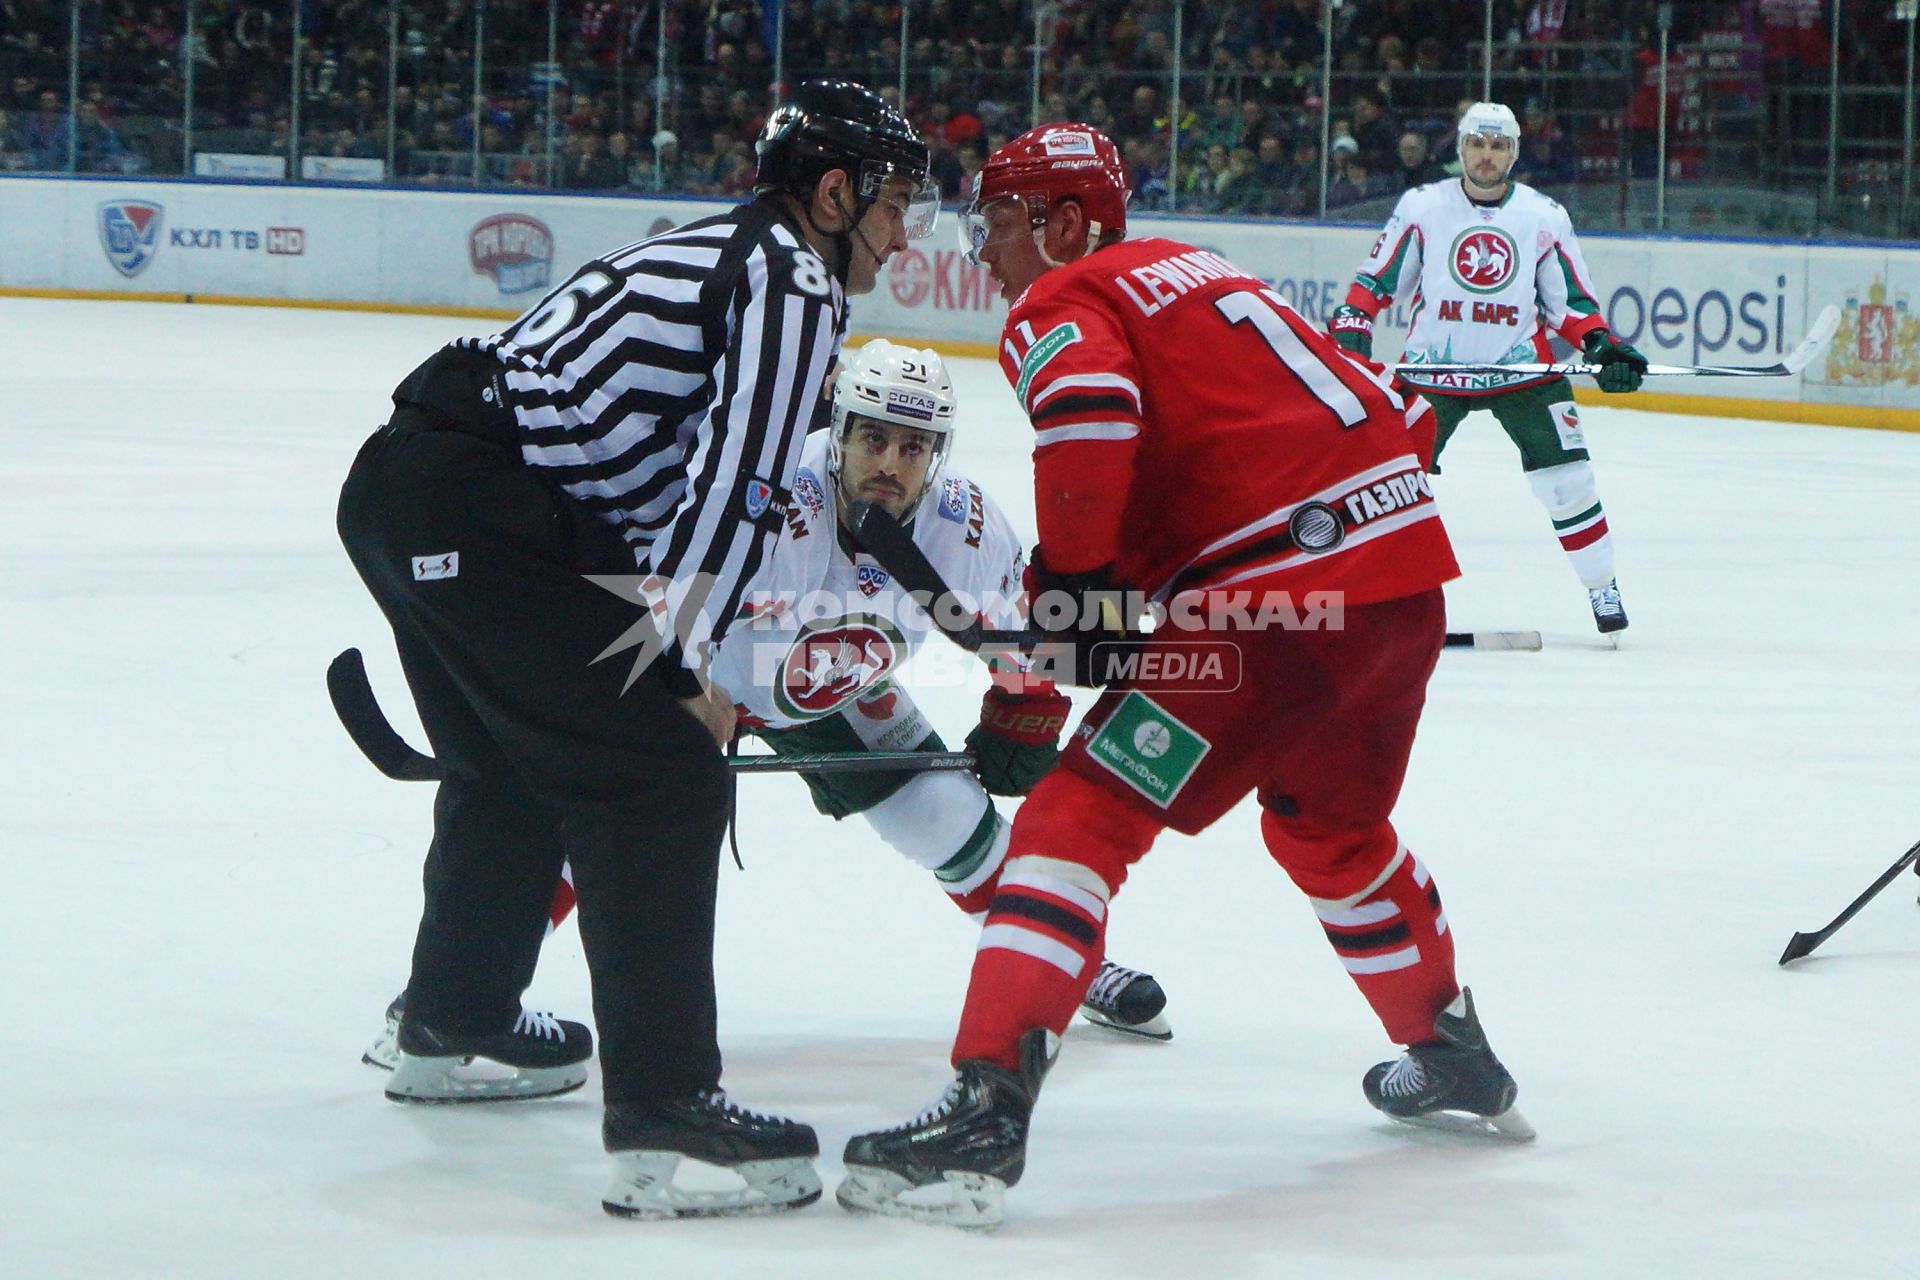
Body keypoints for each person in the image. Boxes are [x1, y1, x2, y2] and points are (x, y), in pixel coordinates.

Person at [834, 122, 1531, 1232]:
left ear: (1064, 223)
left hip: (1267, 616)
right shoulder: (1206, 273)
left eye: (1000, 225)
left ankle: (982, 1107)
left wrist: (1083, 597)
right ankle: (1450, 1049)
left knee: (1076, 816)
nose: (985, 253)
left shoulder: (1068, 301)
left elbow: (1092, 415)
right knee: (1329, 828)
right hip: (1399, 591)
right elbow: (1396, 414)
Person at [335, 78, 936, 1222]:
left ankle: (455, 1016)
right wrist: (692, 662)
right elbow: (739, 481)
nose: (903, 234)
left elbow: (679, 477)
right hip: (478, 512)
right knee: (657, 776)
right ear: (832, 191)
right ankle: (668, 1103)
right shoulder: (790, 278)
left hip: (413, 493)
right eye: (894, 202)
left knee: (509, 768)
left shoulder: (734, 248)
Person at [358, 341, 1175, 1076]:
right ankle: (455, 1000)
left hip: (837, 689)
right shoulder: (769, 495)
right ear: (840, 431)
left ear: (939, 451)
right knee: (584, 831)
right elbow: (645, 590)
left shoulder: (964, 526)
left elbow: (1014, 634)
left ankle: (1070, 962)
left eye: (914, 444)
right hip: (691, 684)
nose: (891, 462)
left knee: (948, 819)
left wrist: (1022, 707)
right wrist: (674, 688)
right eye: (872, 438)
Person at [1328, 101, 1647, 635]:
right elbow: (1376, 281)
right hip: (1434, 374)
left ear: (1513, 153)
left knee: (1570, 482)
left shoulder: (1544, 216)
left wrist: (1603, 346)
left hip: (1520, 372)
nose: (1487, 155)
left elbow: (1571, 304)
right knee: (1388, 485)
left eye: (1499, 146)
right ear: (1461, 148)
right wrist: (1353, 327)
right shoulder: (1423, 207)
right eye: (1478, 143)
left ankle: (1603, 589)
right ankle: (1376, 600)